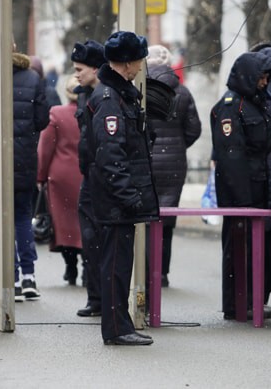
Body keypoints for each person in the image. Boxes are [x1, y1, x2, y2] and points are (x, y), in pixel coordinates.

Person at [85, 31, 159, 346]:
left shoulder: (118, 94)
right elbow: (110, 153)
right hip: (115, 200)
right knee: (115, 265)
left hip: (117, 198)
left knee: (119, 263)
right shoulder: (109, 99)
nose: (142, 66)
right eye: (139, 60)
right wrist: (128, 196)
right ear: (127, 63)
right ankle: (116, 328)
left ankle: (120, 323)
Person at [0, 44, 50, 301]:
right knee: (22, 217)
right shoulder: (31, 78)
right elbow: (42, 120)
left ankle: (9, 277)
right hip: (22, 158)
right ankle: (29, 276)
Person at [210, 51, 271, 320]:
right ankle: (236, 303)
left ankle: (251, 301)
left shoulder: (254, 103)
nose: (264, 82)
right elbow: (231, 156)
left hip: (258, 188)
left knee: (255, 250)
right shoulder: (230, 106)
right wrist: (242, 199)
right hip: (241, 193)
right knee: (238, 249)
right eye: (260, 77)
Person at [145, 45, 201, 287]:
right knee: (166, 219)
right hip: (174, 163)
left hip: (146, 159)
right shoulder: (183, 92)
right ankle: (162, 272)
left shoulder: (140, 90)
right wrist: (177, 146)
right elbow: (194, 129)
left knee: (145, 215)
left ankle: (145, 270)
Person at [72, 40, 106, 317]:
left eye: (80, 69)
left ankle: (108, 299)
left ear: (96, 69)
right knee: (90, 240)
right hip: (89, 174)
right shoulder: (84, 94)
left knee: (106, 241)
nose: (76, 75)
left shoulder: (109, 95)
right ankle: (95, 297)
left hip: (105, 173)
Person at [37, 76, 82, 285]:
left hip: (61, 176)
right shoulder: (93, 111)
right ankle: (88, 267)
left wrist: (40, 175)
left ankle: (70, 266)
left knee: (64, 225)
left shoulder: (57, 113)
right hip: (85, 173)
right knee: (85, 223)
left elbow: (45, 148)